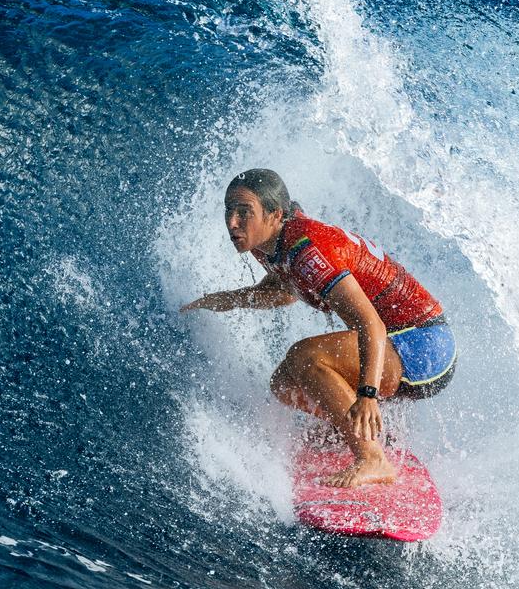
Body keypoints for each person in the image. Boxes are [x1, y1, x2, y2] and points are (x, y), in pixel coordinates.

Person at [181, 169, 455, 488]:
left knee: (305, 357)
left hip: (422, 346)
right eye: (229, 210)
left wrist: (367, 396)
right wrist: (225, 300)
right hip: (395, 344)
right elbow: (284, 292)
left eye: (245, 212)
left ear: (275, 214)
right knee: (285, 383)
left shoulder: (309, 248)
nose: (233, 222)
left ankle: (372, 458)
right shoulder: (268, 242)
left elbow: (371, 324)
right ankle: (359, 433)